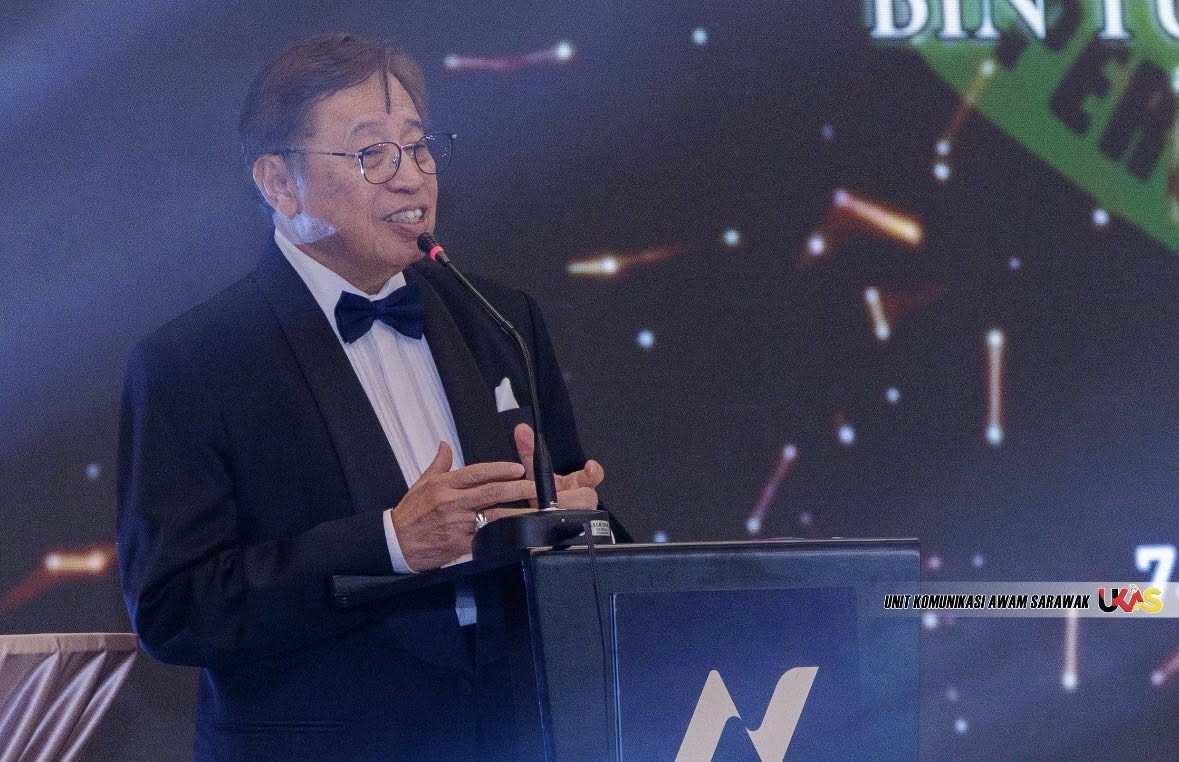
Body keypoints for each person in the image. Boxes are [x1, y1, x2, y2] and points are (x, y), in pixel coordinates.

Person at [116, 33, 612, 760]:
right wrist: (389, 543)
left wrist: (574, 526)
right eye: (371, 153)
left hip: (515, 735)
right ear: (279, 184)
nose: (409, 177)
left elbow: (573, 526)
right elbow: (174, 609)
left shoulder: (499, 319)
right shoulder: (192, 362)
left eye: (418, 146)